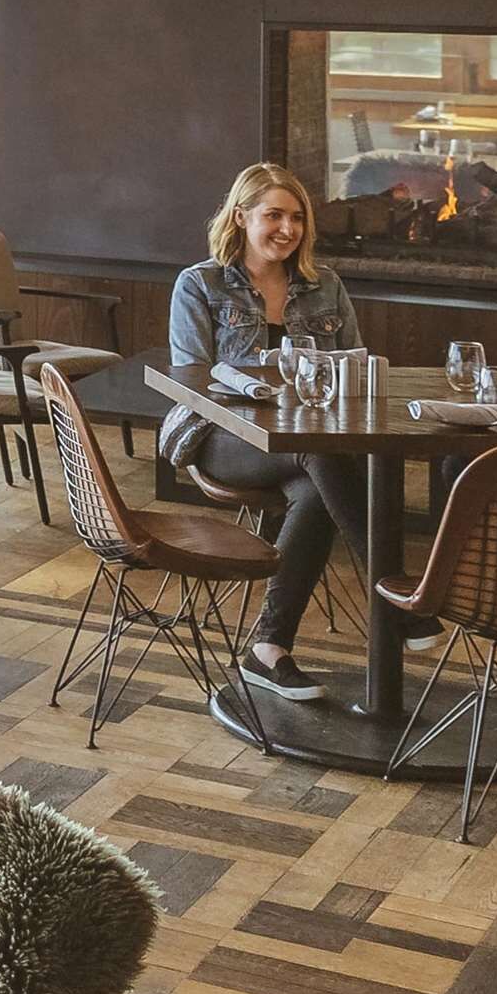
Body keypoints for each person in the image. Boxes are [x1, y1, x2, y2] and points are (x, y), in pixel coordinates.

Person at [163, 164, 363, 702]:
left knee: (318, 485)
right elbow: (193, 383)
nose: (287, 228)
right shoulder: (199, 284)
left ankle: (268, 648)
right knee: (320, 457)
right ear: (241, 216)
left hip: (303, 443)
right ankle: (388, 584)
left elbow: (353, 370)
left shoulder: (327, 287)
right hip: (220, 434)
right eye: (273, 214)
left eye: (297, 217)